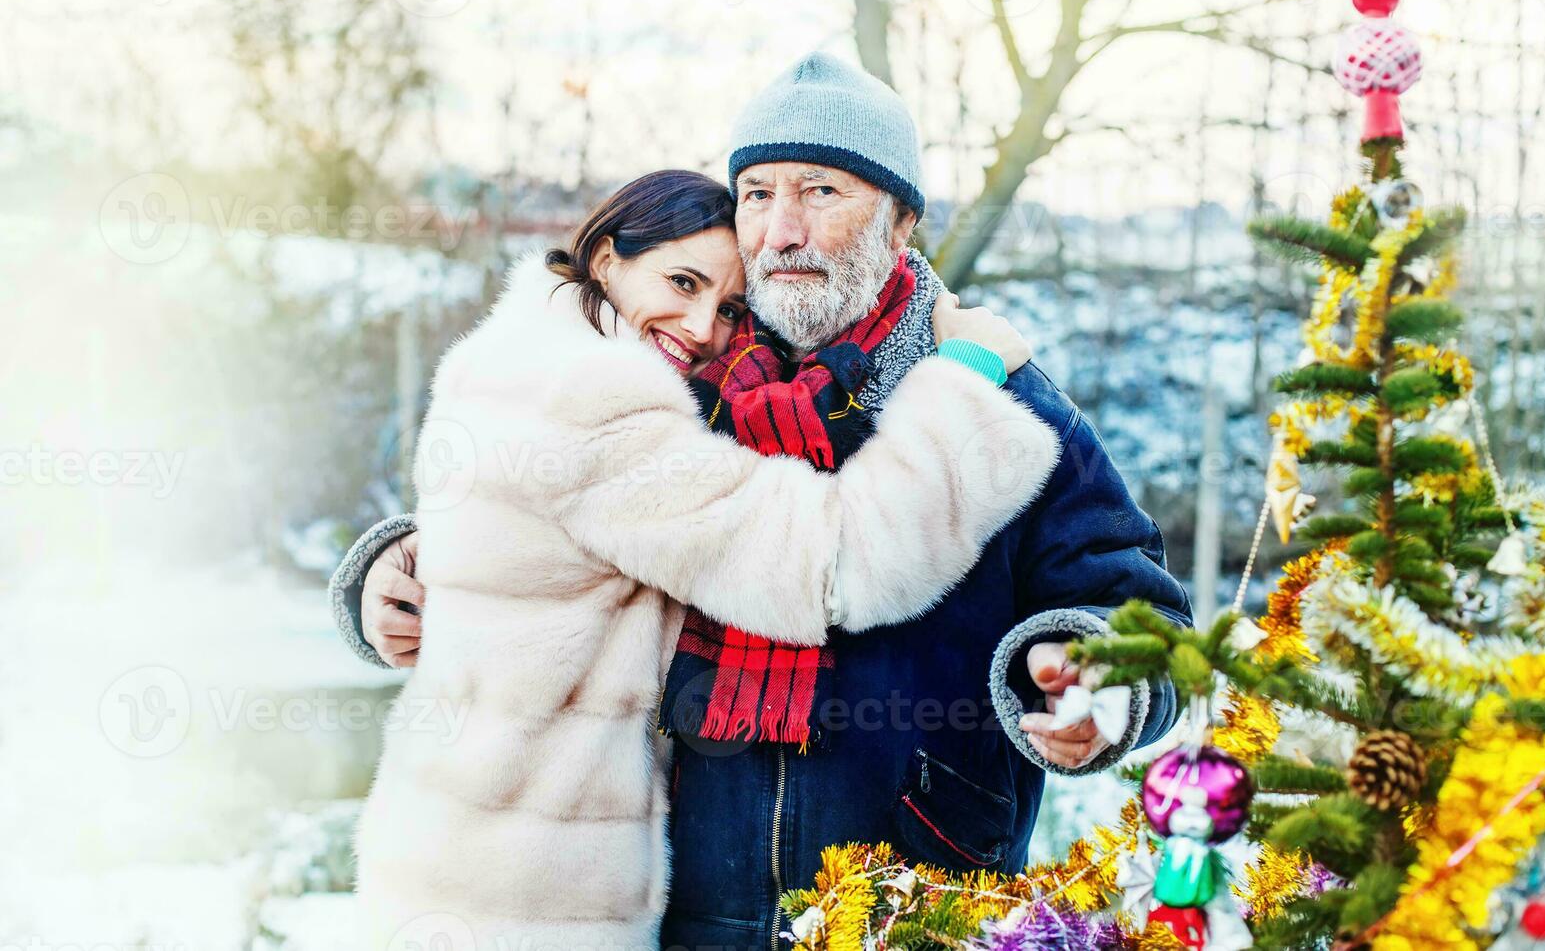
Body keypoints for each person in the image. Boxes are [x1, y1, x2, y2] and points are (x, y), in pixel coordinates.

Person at [333, 55, 1192, 951]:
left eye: (821, 191)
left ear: (901, 219)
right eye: (754, 192)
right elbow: (535, 515)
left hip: (918, 905)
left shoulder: (1004, 402)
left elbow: (1142, 614)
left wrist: (1095, 675)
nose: (781, 230)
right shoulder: (677, 383)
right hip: (678, 909)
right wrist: (396, 569)